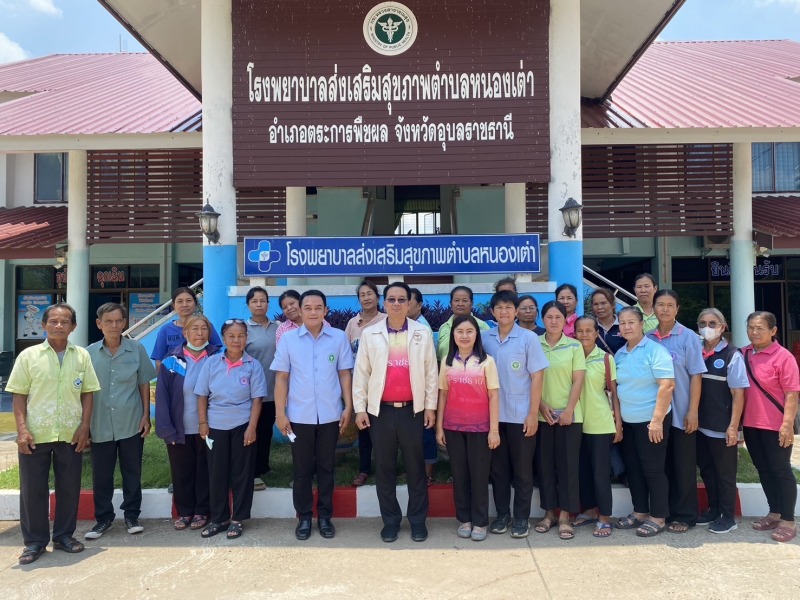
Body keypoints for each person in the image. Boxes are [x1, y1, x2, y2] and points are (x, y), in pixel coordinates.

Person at [7, 303, 101, 565]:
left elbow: (88, 393)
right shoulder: (28, 357)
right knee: (33, 490)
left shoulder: (81, 356)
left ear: (73, 327)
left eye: (65, 321)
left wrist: (85, 426)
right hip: (35, 434)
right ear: (43, 325)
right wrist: (22, 430)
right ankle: (35, 542)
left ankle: (64, 536)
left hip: (71, 434)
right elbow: (19, 395)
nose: (59, 325)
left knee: (69, 487)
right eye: (54, 321)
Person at [353, 282, 438, 543]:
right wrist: (360, 409)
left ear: (410, 303)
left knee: (416, 469)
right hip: (381, 412)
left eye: (403, 299)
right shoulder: (371, 334)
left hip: (413, 411)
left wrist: (431, 407)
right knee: (385, 468)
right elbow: (361, 374)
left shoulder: (422, 333)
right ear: (384, 302)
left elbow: (430, 373)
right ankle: (390, 521)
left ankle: (417, 521)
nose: (397, 304)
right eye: (392, 299)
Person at [271, 289, 354, 540]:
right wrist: (280, 413)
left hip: (330, 415)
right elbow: (281, 378)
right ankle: (305, 517)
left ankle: (326, 517)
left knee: (327, 468)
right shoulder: (288, 340)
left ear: (325, 310)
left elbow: (344, 374)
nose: (313, 312)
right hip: (299, 416)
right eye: (308, 307)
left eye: (318, 307)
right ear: (301, 310)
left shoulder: (338, 338)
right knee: (302, 469)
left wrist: (348, 406)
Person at [85, 303, 156, 539]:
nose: (114, 326)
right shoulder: (88, 354)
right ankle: (103, 519)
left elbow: (144, 383)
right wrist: (83, 425)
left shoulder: (136, 350)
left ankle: (132, 515)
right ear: (99, 324)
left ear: (124, 322)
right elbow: (84, 391)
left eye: (118, 321)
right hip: (99, 424)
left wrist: (146, 415)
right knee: (101, 474)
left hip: (131, 421)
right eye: (108, 322)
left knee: (132, 471)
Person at [481, 290, 548, 538]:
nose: (504, 312)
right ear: (492, 312)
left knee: (522, 470)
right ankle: (502, 515)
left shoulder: (529, 338)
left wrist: (533, 413)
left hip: (521, 416)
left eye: (509, 307)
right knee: (498, 469)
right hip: (493, 417)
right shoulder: (484, 338)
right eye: (499, 308)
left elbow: (537, 376)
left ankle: (521, 518)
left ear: (516, 311)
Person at [196, 319, 266, 539]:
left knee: (242, 474)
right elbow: (202, 395)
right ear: (224, 339)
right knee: (217, 473)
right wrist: (203, 423)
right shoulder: (212, 362)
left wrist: (252, 428)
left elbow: (257, 400)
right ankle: (219, 518)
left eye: (241, 336)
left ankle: (238, 519)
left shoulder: (253, 365)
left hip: (242, 425)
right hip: (215, 425)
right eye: (231, 336)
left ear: (247, 338)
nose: (236, 340)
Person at [647, 289, 707, 534]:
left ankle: (685, 515)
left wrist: (692, 410)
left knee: (683, 466)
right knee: (663, 466)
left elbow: (696, 375)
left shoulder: (688, 337)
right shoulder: (648, 338)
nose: (665, 309)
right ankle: (665, 511)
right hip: (657, 414)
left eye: (670, 305)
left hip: (681, 411)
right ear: (653, 307)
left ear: (677, 309)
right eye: (660, 304)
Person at [437, 315, 500, 542]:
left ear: (476, 335)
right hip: (453, 427)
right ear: (453, 335)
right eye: (460, 332)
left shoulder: (487, 362)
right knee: (460, 475)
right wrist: (439, 427)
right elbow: (442, 394)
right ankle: (464, 519)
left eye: (469, 332)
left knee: (479, 476)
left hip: (480, 428)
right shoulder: (447, 361)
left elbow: (494, 396)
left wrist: (494, 430)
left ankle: (480, 522)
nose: (464, 336)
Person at [613, 306, 674, 538]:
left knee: (653, 469)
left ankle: (658, 517)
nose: (627, 327)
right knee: (634, 470)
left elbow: (667, 385)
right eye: (623, 323)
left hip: (652, 422)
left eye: (631, 322)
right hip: (629, 423)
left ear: (641, 324)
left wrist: (657, 421)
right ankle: (639, 512)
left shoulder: (655, 351)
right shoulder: (620, 353)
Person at [155, 314, 218, 531]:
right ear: (185, 333)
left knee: (205, 471)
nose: (199, 333)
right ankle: (184, 511)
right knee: (182, 472)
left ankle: (202, 510)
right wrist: (166, 430)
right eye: (194, 329)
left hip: (209, 426)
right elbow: (162, 398)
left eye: (204, 329)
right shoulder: (171, 361)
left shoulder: (217, 357)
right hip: (180, 428)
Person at [741, 311, 799, 543]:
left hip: (775, 425)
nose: (754, 332)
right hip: (751, 424)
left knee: (781, 470)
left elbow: (792, 394)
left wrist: (787, 425)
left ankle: (788, 520)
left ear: (773, 331)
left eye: (760, 328)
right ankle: (774, 512)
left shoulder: (784, 357)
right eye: (751, 327)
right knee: (763, 470)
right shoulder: (743, 353)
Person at [534, 301, 586, 540]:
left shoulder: (574, 346)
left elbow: (578, 380)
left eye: (558, 317)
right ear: (542, 320)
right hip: (542, 416)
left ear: (566, 320)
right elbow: (529, 379)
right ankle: (549, 513)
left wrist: (568, 410)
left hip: (569, 417)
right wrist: (541, 406)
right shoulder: (534, 344)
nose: (554, 321)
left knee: (567, 467)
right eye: (549, 317)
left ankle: (565, 515)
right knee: (545, 467)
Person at [695, 308, 748, 534]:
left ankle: (728, 516)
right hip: (700, 425)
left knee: (725, 473)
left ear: (723, 327)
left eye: (713, 323)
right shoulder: (696, 350)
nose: (707, 328)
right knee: (707, 469)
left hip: (722, 425)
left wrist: (734, 427)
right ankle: (714, 509)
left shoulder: (732, 355)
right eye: (703, 323)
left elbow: (738, 394)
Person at [571, 316, 622, 538]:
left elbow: (614, 393)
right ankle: (590, 510)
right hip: (574, 423)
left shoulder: (605, 359)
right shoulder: (570, 356)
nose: (584, 335)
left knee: (600, 473)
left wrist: (618, 423)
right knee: (582, 470)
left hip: (599, 422)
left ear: (596, 333)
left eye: (589, 330)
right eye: (580, 331)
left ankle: (604, 517)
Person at [345, 280, 388, 488]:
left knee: (384, 430)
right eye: (362, 294)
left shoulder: (386, 320)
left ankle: (386, 468)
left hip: (384, 385)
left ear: (377, 297)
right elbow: (346, 354)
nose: (366, 298)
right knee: (364, 428)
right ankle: (363, 469)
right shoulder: (353, 324)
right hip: (360, 384)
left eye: (370, 294)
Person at [244, 286, 279, 491]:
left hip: (274, 389)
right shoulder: (243, 329)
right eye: (254, 301)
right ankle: (252, 470)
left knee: (266, 429)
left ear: (268, 303)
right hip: (251, 391)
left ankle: (264, 466)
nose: (259, 304)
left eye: (263, 300)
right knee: (252, 430)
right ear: (248, 305)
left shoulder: (278, 327)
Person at [151, 287, 222, 370]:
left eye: (188, 301)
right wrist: (163, 381)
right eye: (180, 301)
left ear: (195, 303)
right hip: (175, 379)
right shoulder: (165, 330)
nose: (184, 305)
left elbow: (217, 353)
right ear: (174, 305)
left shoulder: (206, 326)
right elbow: (159, 360)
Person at [409, 287, 437, 484]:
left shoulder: (422, 329)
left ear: (419, 305)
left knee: (425, 434)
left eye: (407, 301)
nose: (403, 305)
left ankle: (427, 473)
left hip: (423, 390)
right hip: (409, 392)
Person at [437, 286, 491, 360]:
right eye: (456, 300)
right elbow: (439, 358)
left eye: (465, 300)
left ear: (471, 303)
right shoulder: (443, 327)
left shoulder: (482, 326)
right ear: (451, 304)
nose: (460, 304)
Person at [591, 288, 625, 354]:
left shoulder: (624, 325)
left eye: (603, 303)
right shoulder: (590, 327)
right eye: (596, 304)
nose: (599, 307)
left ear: (613, 305)